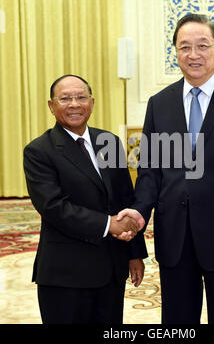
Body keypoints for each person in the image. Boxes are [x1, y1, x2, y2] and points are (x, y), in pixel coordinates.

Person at [117, 14, 214, 324]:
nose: (193, 55)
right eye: (184, 47)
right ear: (175, 52)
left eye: (203, 45)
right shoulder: (159, 103)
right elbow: (151, 172)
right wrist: (139, 211)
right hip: (174, 235)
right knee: (177, 320)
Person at [23, 74, 148, 324]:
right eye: (65, 98)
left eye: (81, 97)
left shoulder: (108, 142)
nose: (74, 104)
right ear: (51, 105)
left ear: (91, 102)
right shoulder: (39, 151)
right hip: (65, 274)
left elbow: (125, 198)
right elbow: (53, 207)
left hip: (111, 269)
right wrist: (108, 224)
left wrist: (134, 254)